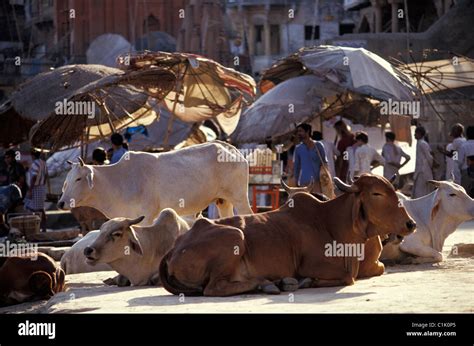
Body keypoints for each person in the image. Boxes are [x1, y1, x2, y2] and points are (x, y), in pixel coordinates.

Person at [293, 123, 327, 193]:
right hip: (304, 183)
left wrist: (326, 179)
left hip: (318, 182)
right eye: (298, 131)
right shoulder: (298, 148)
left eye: (300, 131)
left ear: (307, 131)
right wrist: (296, 182)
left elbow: (324, 163)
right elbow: (297, 167)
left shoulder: (318, 145)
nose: (298, 133)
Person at [24, 149, 48, 232]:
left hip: (35, 188)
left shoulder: (35, 164)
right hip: (42, 187)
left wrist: (30, 189)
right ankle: (43, 228)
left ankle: (36, 227)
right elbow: (46, 176)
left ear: (32, 155)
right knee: (41, 208)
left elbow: (34, 177)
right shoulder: (44, 163)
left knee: (32, 208)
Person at [412, 126, 434, 198]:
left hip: (423, 172)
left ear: (419, 133)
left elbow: (429, 157)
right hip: (420, 172)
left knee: (420, 193)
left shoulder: (422, 143)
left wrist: (431, 167)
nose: (414, 135)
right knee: (421, 192)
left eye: (416, 133)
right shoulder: (419, 143)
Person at [458, 125, 474, 192]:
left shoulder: (463, 145)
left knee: (466, 194)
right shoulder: (462, 143)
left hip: (466, 173)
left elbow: (459, 161)